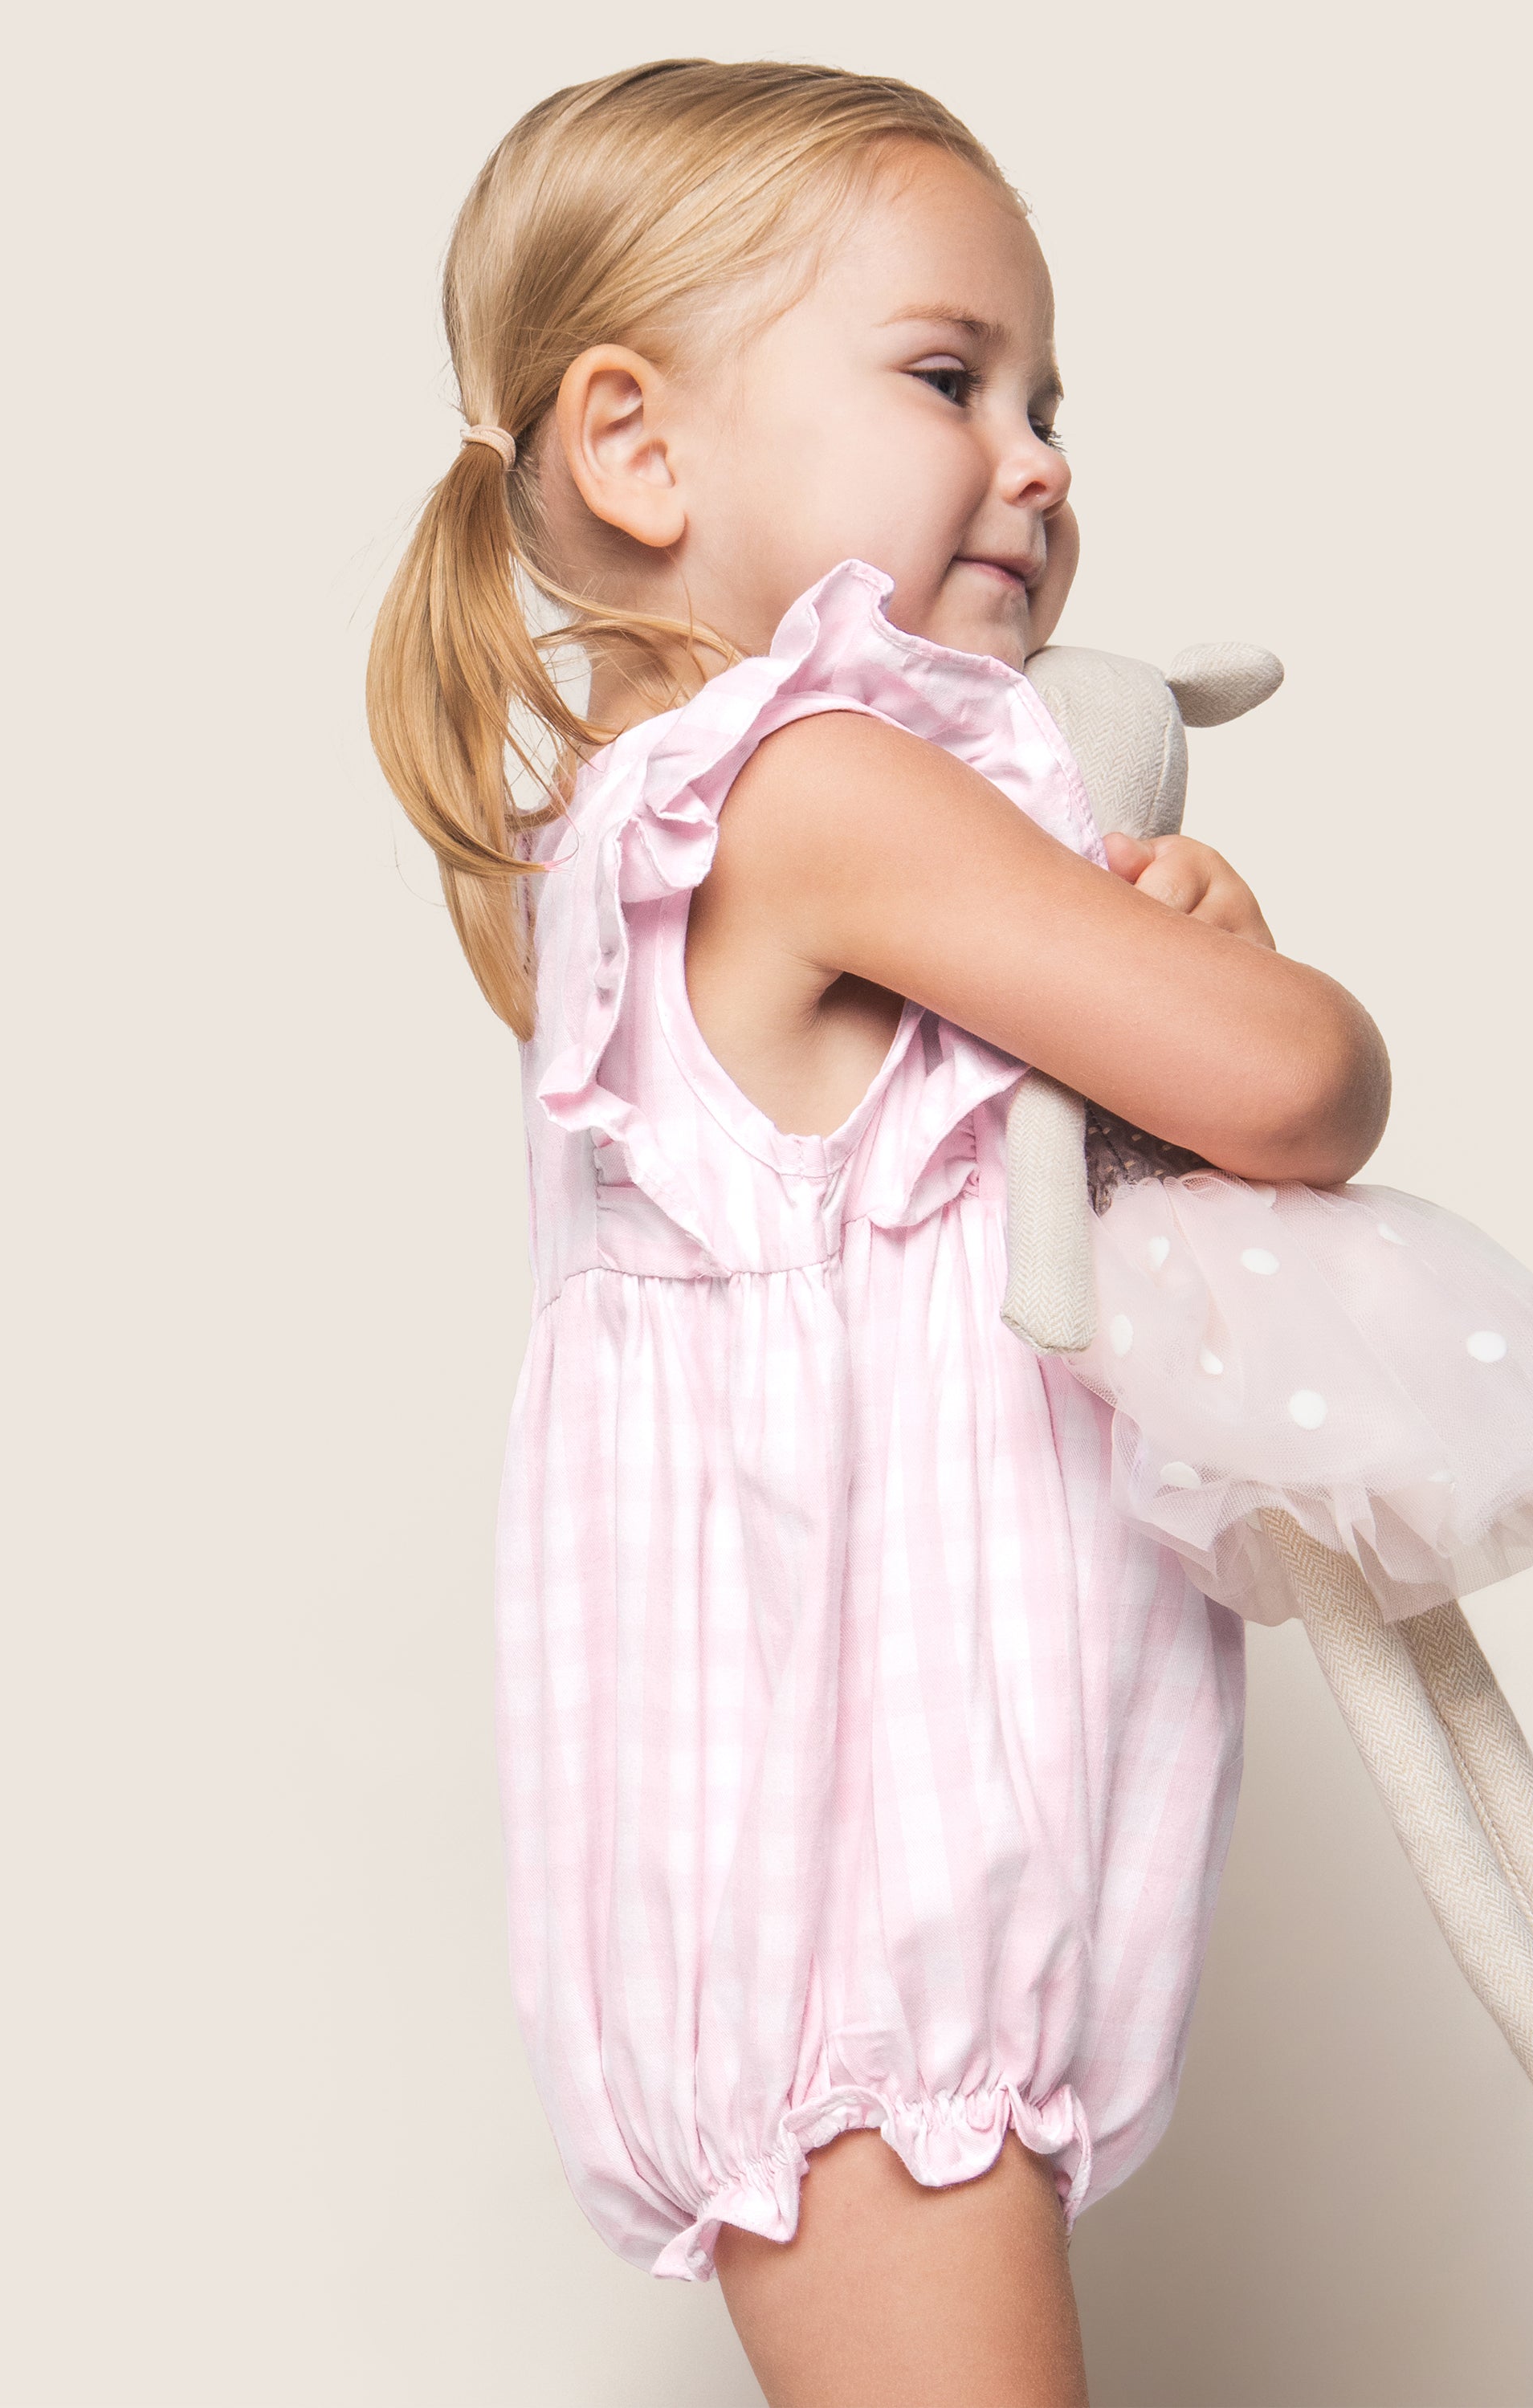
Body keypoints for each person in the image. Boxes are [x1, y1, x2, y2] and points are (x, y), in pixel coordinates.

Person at [367, 59, 1393, 2408]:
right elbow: (1293, 1092)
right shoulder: (817, 794)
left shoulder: (726, 824)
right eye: (951, 377)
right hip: (864, 1944)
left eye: (1051, 402)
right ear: (638, 447)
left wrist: (1163, 952)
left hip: (866, 1930)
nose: (1038, 460)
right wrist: (1257, 982)